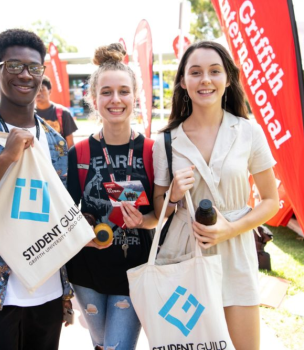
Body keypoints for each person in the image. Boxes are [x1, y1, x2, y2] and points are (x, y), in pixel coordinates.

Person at [153, 41, 279, 350]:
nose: (205, 80)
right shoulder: (166, 141)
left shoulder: (249, 132)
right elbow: (159, 209)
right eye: (195, 72)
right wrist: (172, 196)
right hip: (184, 253)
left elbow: (271, 200)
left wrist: (231, 229)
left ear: (229, 78)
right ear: (183, 81)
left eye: (214, 71)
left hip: (235, 254)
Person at [0, 28, 73, 350]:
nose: (25, 74)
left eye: (34, 68)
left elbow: (59, 216)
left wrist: (66, 294)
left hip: (47, 293)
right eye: (14, 65)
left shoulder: (57, 144)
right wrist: (6, 157)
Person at [66, 43, 157, 350]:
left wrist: (143, 221)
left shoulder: (153, 152)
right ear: (93, 99)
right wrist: (83, 232)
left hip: (134, 271)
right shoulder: (78, 153)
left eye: (124, 91)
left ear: (136, 97)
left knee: (117, 346)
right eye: (106, 92)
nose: (115, 99)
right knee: (101, 344)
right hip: (86, 271)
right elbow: (67, 214)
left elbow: (160, 214)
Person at [36, 75, 77, 149]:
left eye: (42, 90)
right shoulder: (29, 114)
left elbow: (70, 143)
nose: (38, 93)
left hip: (59, 158)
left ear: (50, 91)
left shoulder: (63, 113)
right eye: (35, 90)